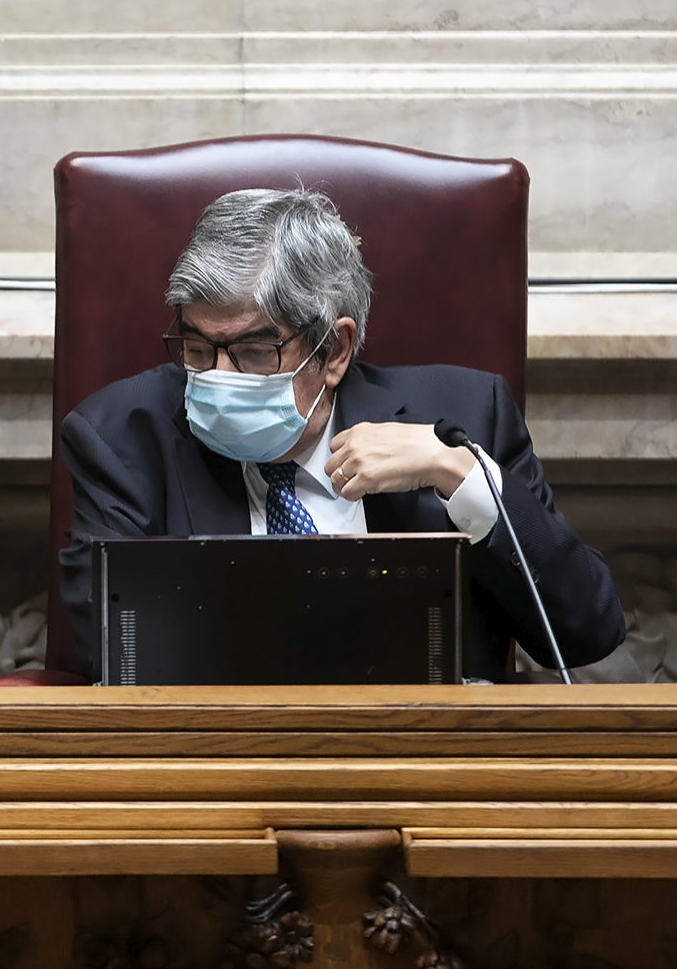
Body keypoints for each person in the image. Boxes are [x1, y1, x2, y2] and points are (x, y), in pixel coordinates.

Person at [58, 187, 623, 683]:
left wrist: (462, 476)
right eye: (198, 349)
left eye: (255, 351)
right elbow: (114, 658)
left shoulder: (466, 416)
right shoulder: (121, 437)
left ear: (334, 351)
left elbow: (585, 633)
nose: (217, 379)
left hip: (426, 764)